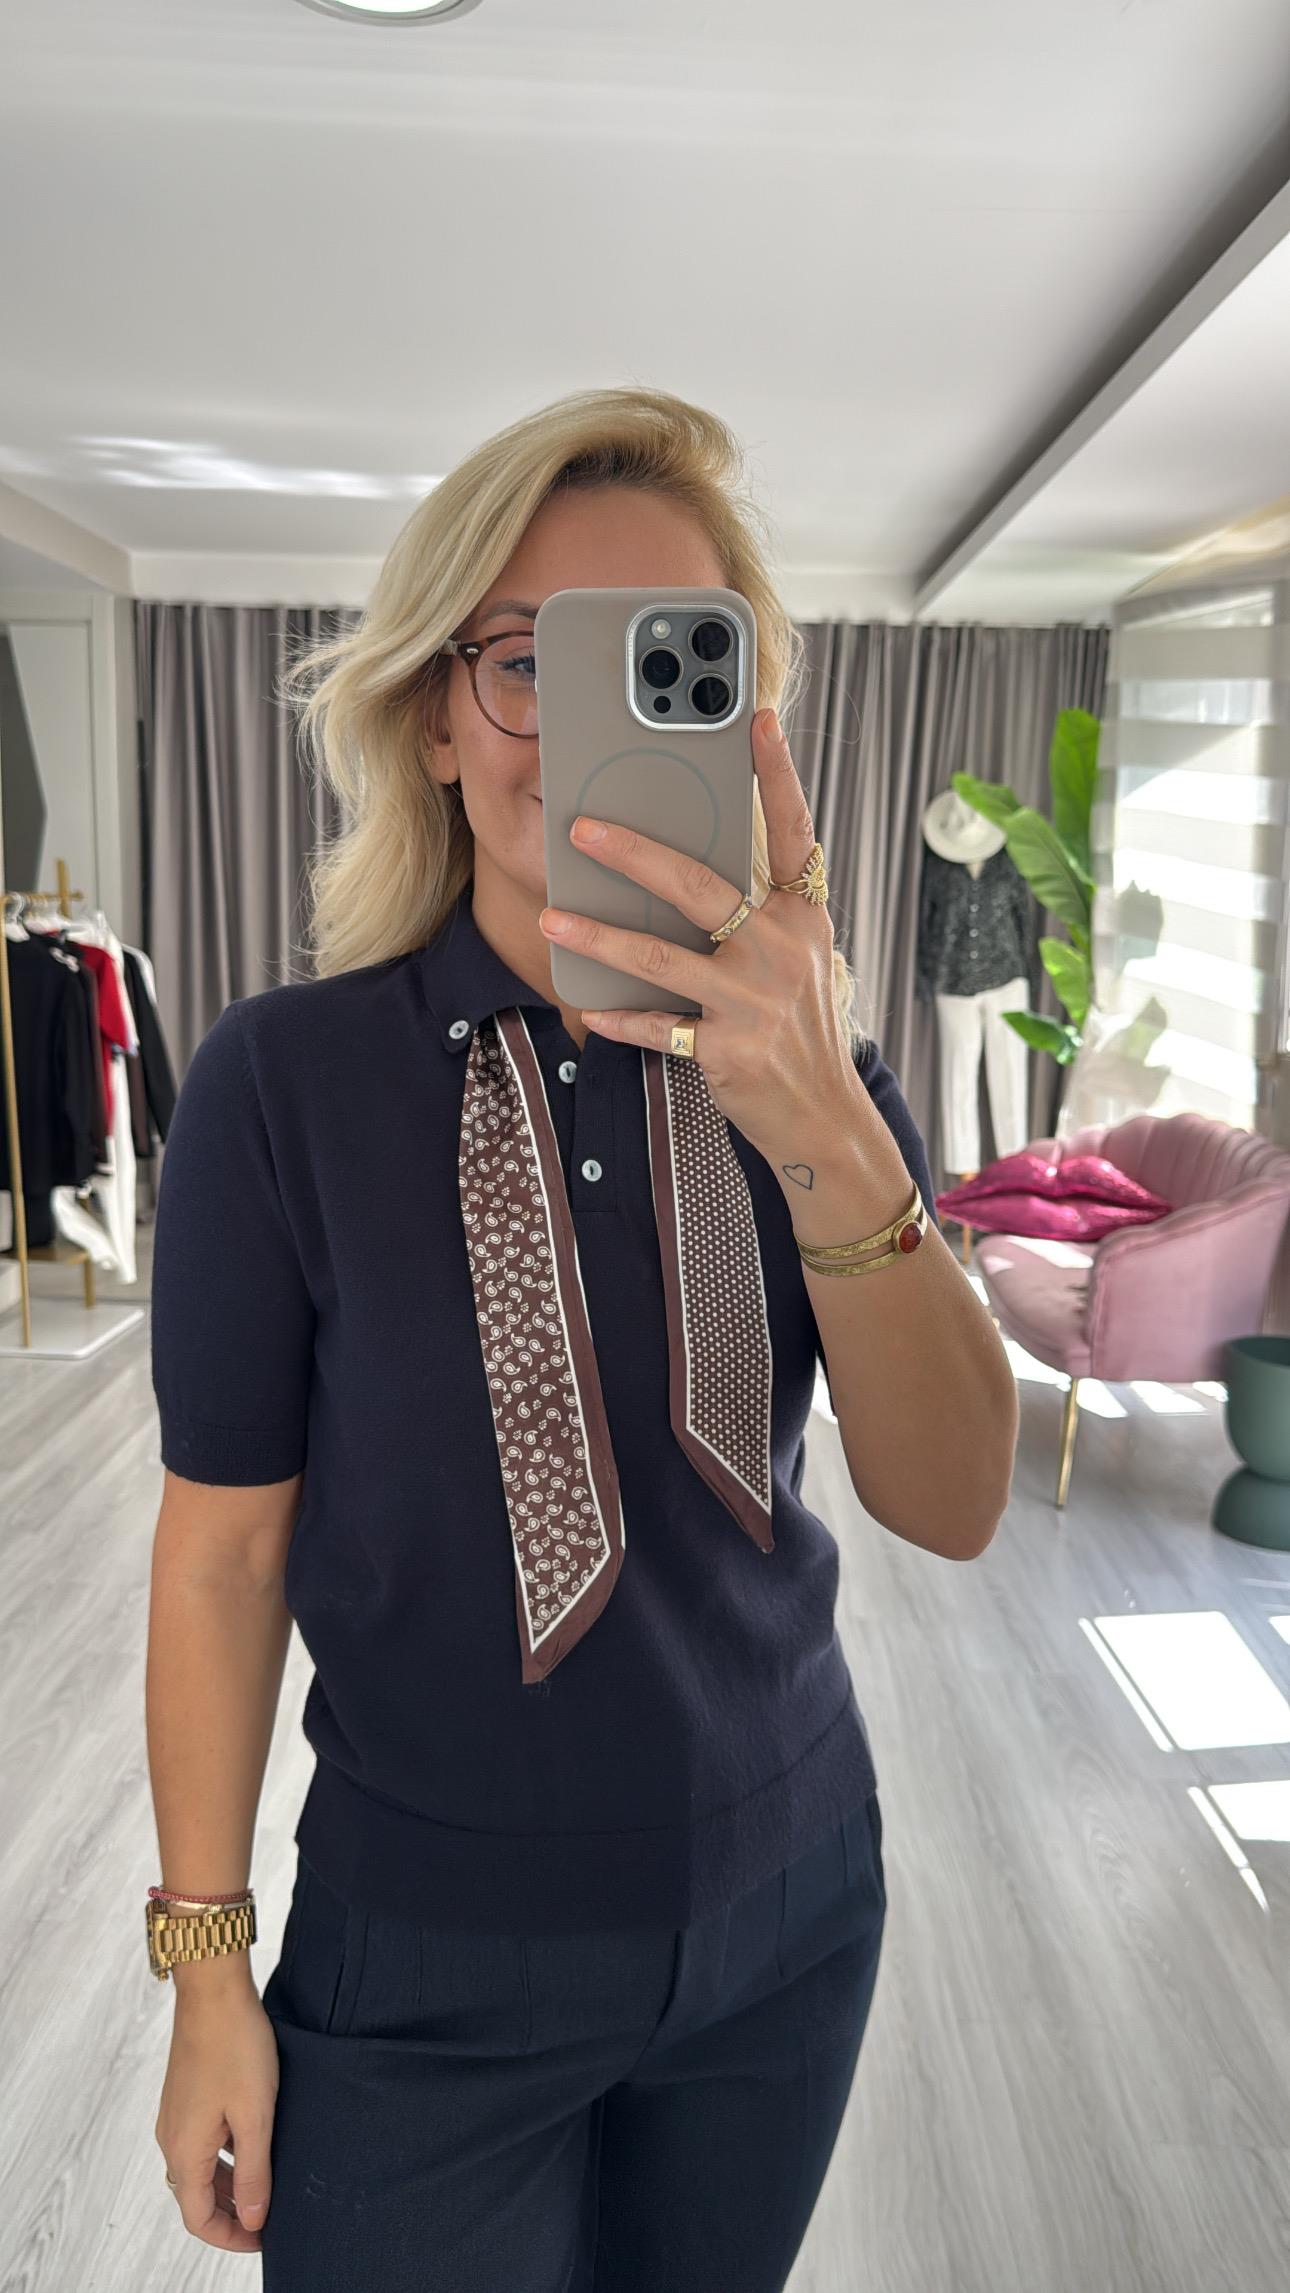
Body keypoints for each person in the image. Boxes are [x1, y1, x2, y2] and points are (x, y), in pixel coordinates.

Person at [145, 385, 1018, 2291]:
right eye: (527, 660)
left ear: (743, 722)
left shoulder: (820, 1077)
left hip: (790, 1913)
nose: (582, 724)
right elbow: (222, 1557)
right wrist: (206, 1966)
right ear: (436, 717)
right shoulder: (281, 1086)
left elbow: (953, 1500)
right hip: (421, 1972)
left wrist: (826, 1119)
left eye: (662, 663)